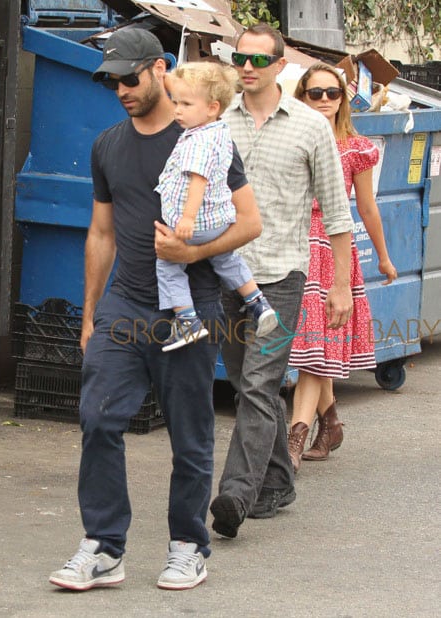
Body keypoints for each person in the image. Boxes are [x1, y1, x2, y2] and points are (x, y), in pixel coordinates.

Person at [48, 26, 262, 592]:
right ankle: (103, 547)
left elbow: (250, 223)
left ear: (160, 68)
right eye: (111, 80)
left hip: (191, 307)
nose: (120, 88)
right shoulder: (108, 145)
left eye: (130, 77)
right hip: (125, 304)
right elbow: (101, 232)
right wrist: (91, 313)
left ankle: (188, 546)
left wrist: (192, 250)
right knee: (98, 418)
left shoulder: (209, 137)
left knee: (190, 436)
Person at [155, 22, 353, 539]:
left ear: (280, 66)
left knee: (261, 387)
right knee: (248, 390)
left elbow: (337, 214)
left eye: (259, 61)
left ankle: (235, 497)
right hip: (226, 273)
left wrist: (339, 285)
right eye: (241, 59)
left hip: (282, 277)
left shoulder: (311, 127)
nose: (248, 68)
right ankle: (279, 482)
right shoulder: (214, 122)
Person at [287, 62, 397, 472]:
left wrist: (384, 256)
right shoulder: (289, 138)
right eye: (315, 93)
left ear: (342, 100)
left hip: (332, 251)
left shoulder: (355, 147)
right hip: (292, 246)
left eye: (332, 94)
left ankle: (294, 440)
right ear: (301, 96)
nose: (325, 101)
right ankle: (330, 423)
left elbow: (367, 208)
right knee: (313, 345)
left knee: (317, 348)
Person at [155, 62, 277, 352]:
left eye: (185, 104)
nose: (177, 110)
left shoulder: (197, 140)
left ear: (212, 107)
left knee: (168, 266)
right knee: (226, 259)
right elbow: (186, 87)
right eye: (175, 102)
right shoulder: (220, 129)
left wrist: (187, 218)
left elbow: (198, 180)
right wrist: (164, 77)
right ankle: (258, 303)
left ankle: (187, 321)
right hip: (220, 221)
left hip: (196, 224)